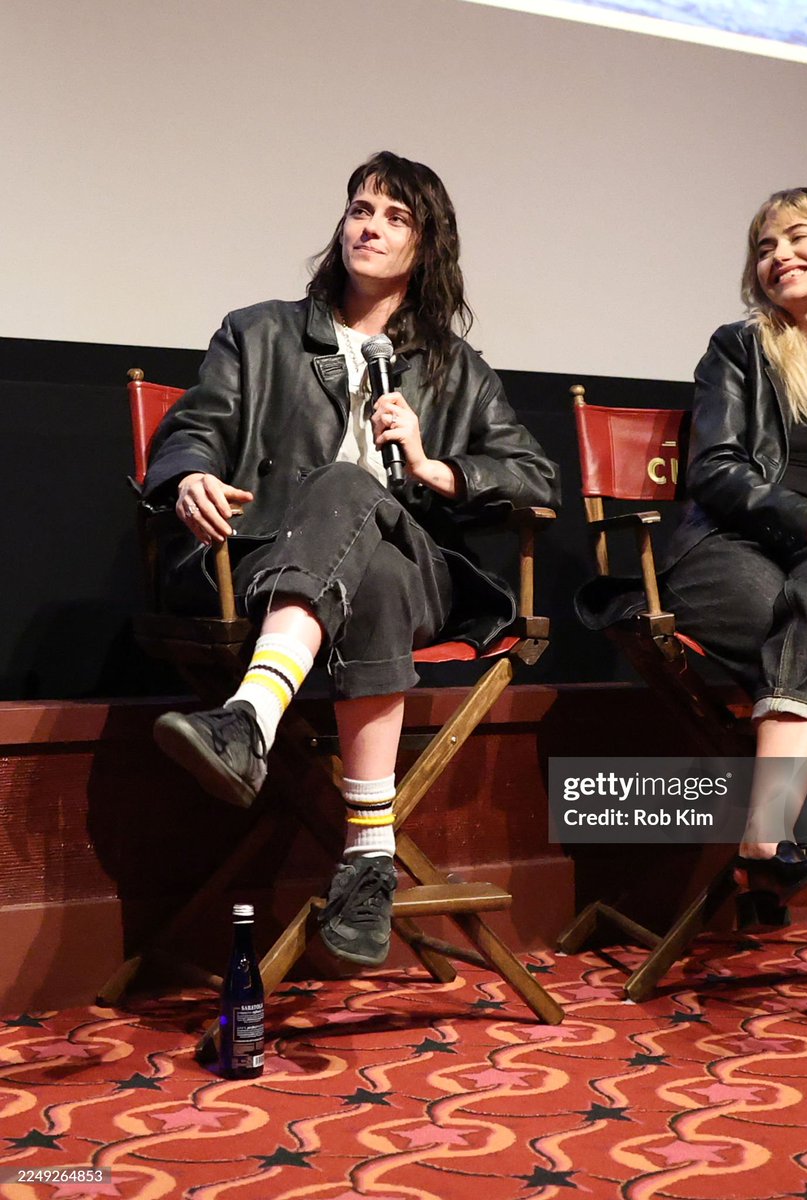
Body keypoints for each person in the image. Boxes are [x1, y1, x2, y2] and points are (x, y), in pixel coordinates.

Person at [144, 151, 559, 969]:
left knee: (354, 495)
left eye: (396, 217)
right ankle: (370, 857)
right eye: (360, 209)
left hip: (424, 569)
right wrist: (191, 471)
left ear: (426, 247)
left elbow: (535, 478)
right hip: (275, 560)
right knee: (362, 548)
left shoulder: (455, 369)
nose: (370, 226)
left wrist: (441, 469)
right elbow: (194, 428)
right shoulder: (259, 332)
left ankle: (249, 718)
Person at [582, 187, 807, 1040]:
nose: (776, 254)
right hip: (727, 552)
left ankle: (766, 840)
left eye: (796, 236)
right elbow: (716, 472)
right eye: (763, 245)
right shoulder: (737, 347)